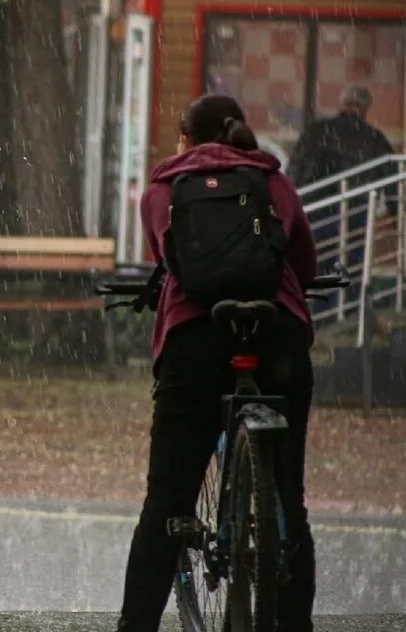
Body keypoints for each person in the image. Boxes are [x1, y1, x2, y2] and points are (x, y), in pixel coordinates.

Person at [116, 94, 318, 632]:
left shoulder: (163, 189)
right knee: (289, 501)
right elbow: (302, 259)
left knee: (167, 501)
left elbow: (172, 258)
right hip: (277, 336)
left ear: (185, 140)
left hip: (197, 341)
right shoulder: (271, 180)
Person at [287, 84, 397, 283]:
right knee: (351, 267)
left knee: (319, 265)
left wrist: (290, 201)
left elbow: (295, 168)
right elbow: (390, 176)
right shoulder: (374, 138)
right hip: (355, 210)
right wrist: (393, 211)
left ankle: (322, 310)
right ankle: (350, 308)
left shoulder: (316, 130)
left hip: (317, 209)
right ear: (365, 108)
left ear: (342, 103)